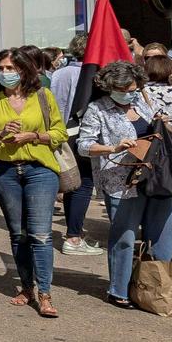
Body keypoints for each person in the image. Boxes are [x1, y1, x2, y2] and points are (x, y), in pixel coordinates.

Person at [74, 61, 172, 310]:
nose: (130, 92)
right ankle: (118, 289)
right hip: (121, 180)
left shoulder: (143, 101)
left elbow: (165, 131)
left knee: (162, 235)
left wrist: (165, 125)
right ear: (110, 87)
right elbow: (83, 145)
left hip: (156, 178)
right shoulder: (97, 109)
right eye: (124, 88)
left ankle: (155, 287)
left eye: (133, 87)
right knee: (125, 237)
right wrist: (113, 148)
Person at [0, 49, 69, 317]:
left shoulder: (42, 95)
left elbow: (59, 133)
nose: (6, 73)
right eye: (2, 68)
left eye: (11, 68)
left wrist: (33, 136)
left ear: (25, 69)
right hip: (4, 171)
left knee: (40, 233)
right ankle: (27, 287)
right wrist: (0, 135)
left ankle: (45, 293)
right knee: (18, 234)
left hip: (40, 170)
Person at [47, 49, 103, 256]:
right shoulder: (93, 72)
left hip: (64, 133)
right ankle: (73, 237)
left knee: (72, 183)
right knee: (83, 184)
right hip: (80, 133)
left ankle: (74, 232)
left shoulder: (60, 73)